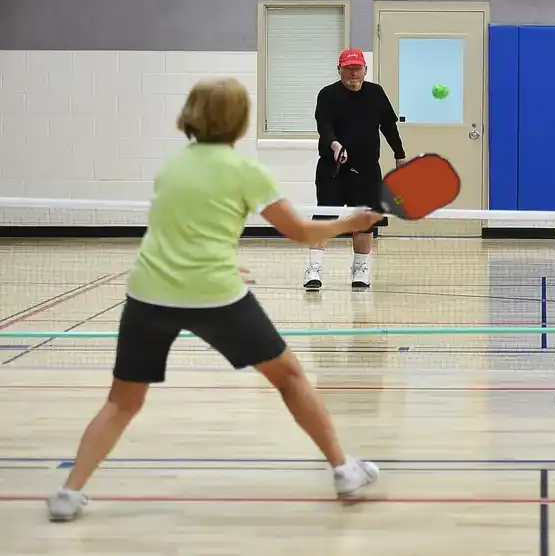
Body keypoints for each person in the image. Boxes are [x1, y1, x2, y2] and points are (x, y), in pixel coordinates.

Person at [46, 78, 383, 522]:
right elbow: (301, 233)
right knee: (291, 378)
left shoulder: (173, 165)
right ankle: (343, 470)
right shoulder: (246, 172)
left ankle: (68, 495)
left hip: (149, 293)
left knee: (122, 402)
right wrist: (353, 221)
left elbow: (179, 229)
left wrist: (216, 262)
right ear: (239, 121)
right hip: (215, 296)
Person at [304, 48, 406, 291]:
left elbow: (389, 127)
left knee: (363, 221)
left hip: (367, 170)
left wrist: (400, 155)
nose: (353, 73)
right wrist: (335, 144)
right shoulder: (327, 95)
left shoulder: (376, 93)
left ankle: (360, 270)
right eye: (348, 69)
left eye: (357, 68)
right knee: (325, 218)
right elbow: (324, 126)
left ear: (365, 70)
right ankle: (314, 270)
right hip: (333, 168)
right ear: (339, 70)